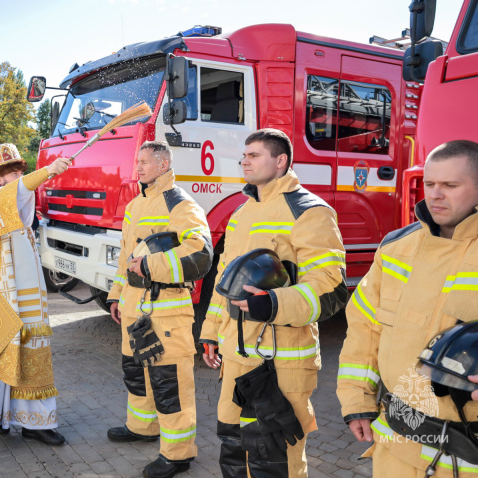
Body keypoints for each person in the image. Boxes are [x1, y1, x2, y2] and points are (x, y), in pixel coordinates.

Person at [200, 129, 348, 478]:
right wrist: (209, 332)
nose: (244, 161)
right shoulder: (241, 213)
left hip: (281, 362)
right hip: (237, 356)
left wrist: (276, 303)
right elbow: (225, 282)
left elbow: (330, 286)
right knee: (234, 446)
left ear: (280, 161)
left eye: (254, 155)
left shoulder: (310, 211)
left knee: (275, 457)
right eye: (244, 155)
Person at [337, 140, 478, 477]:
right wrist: (356, 400)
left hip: (463, 459)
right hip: (395, 447)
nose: (435, 194)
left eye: (450, 185)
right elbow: (365, 328)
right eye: (429, 184)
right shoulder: (396, 247)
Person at [105, 142, 213, 478]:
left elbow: (201, 253)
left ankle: (178, 454)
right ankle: (142, 428)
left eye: (143, 162)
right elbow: (127, 258)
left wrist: (150, 266)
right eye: (137, 161)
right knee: (136, 374)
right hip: (133, 307)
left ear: (162, 164)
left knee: (169, 385)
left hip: (166, 311)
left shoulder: (180, 203)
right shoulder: (137, 203)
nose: (137, 167)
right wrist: (115, 295)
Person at [0, 142, 71, 446]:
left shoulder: (14, 199)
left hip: (26, 292)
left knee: (33, 349)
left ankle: (36, 422)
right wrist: (46, 171)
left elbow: (20, 194)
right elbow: (16, 192)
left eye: (21, 169)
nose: (20, 175)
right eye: (12, 172)